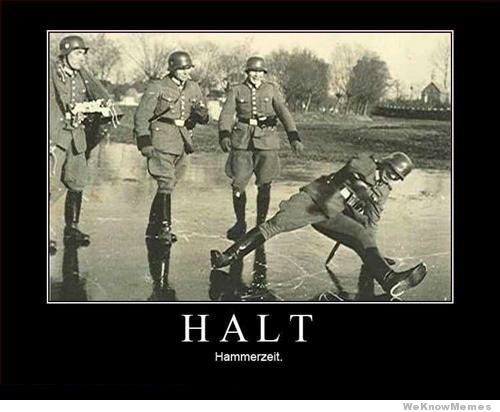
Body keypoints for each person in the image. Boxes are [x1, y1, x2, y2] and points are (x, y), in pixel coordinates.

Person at [211, 152, 427, 298]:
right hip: (314, 200)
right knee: (275, 224)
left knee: (363, 235)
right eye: (392, 171)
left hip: (332, 215)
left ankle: (390, 280)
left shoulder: (384, 191)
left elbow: (372, 221)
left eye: (397, 177)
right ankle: (228, 257)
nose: (392, 177)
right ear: (386, 163)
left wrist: (372, 250)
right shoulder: (367, 162)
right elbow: (352, 169)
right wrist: (362, 189)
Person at [218, 56, 304, 241]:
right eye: (253, 71)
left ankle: (260, 224)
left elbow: (284, 113)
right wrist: (224, 134)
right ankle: (240, 223)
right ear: (247, 72)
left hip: (267, 141)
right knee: (238, 184)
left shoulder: (271, 89)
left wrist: (293, 136)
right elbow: (226, 113)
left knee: (265, 183)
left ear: (264, 73)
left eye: (259, 72)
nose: (256, 75)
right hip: (242, 142)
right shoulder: (237, 90)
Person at [49, 35, 118, 253]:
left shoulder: (82, 77)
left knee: (77, 181)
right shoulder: (51, 74)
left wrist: (95, 109)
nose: (82, 58)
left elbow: (99, 96)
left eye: (83, 54)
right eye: (78, 53)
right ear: (65, 54)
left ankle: (72, 228)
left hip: (77, 137)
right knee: (50, 184)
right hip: (56, 136)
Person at [134, 51, 208, 245]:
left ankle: (153, 226)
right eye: (182, 69)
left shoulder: (193, 87)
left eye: (188, 68)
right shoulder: (158, 86)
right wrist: (144, 141)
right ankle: (164, 228)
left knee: (170, 184)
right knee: (166, 182)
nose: (186, 72)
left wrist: (199, 115)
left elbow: (203, 112)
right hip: (162, 138)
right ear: (173, 68)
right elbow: (142, 115)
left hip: (183, 140)